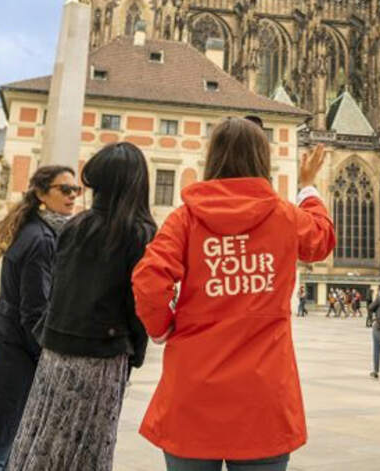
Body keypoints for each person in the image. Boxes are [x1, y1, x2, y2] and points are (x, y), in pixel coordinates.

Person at [132, 119, 335, 471]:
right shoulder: (285, 217)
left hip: (192, 391)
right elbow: (321, 240)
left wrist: (162, 328)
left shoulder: (185, 219)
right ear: (261, 159)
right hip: (262, 395)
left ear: (213, 158)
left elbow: (149, 278)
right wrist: (307, 188)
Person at [6, 143, 158, 471]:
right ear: (137, 183)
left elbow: (57, 290)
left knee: (43, 439)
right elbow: (138, 304)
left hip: (55, 354)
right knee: (86, 449)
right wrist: (136, 351)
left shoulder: (74, 226)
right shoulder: (140, 232)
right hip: (102, 357)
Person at [0, 165, 79, 471]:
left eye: (75, 190)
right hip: (15, 359)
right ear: (41, 194)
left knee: (6, 444)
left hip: (9, 350)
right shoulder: (41, 239)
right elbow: (34, 312)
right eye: (64, 189)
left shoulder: (35, 231)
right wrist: (48, 356)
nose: (72, 196)